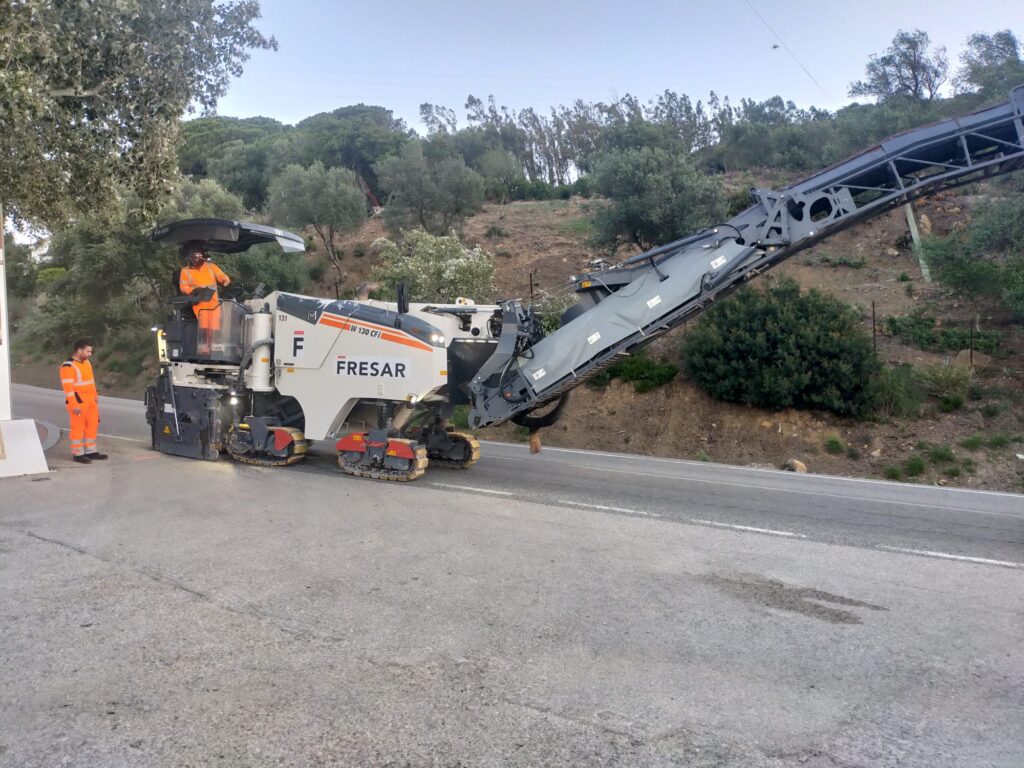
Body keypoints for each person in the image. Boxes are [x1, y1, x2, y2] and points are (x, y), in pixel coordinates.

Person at [59, 338, 107, 464]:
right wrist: (74, 404)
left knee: (92, 425)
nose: (90, 354)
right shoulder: (68, 366)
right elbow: (68, 388)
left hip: (90, 400)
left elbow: (91, 382)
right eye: (88, 351)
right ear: (79, 350)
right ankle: (78, 454)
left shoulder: (87, 363)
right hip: (78, 401)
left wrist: (95, 396)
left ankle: (91, 451)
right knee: (78, 428)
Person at [178, 245, 231, 354]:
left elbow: (221, 275)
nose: (197, 258)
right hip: (199, 303)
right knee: (204, 325)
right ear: (190, 258)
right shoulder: (185, 271)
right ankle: (204, 348)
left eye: (199, 256)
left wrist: (225, 280)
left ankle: (214, 347)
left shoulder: (211, 266)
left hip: (213, 303)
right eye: (195, 256)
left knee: (215, 325)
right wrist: (194, 290)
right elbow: (183, 287)